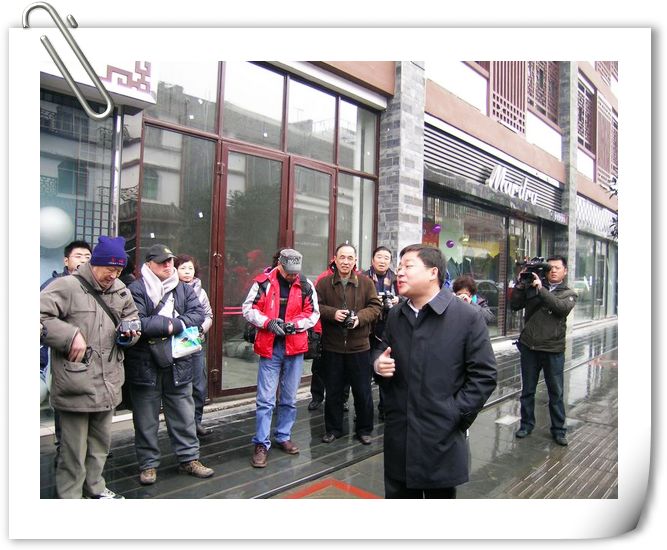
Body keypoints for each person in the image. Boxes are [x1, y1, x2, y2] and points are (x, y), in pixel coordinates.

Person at [373, 244, 497, 498]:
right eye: (399, 267)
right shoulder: (396, 314)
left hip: (441, 439)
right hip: (399, 436)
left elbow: (484, 375)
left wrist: (454, 414)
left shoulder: (466, 316)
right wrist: (377, 365)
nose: (400, 273)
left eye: (408, 266)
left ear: (433, 273)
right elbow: (382, 351)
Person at [40, 235, 140, 498]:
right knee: (72, 451)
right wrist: (69, 335)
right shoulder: (67, 286)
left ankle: (94, 489)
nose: (113, 275)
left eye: (118, 270)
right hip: (76, 382)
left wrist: (130, 333)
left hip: (109, 382)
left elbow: (133, 318)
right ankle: (70, 497)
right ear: (95, 263)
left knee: (99, 446)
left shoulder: (121, 289)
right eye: (109, 268)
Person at [125, 244, 214, 485]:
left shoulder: (183, 288)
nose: (167, 265)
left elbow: (198, 314)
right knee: (146, 419)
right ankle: (148, 465)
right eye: (162, 261)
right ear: (149, 264)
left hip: (179, 361)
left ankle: (189, 458)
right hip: (145, 363)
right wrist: (174, 325)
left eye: (170, 261)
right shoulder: (136, 288)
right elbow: (137, 322)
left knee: (184, 414)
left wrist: (171, 324)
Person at [242, 249, 319, 468]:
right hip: (270, 346)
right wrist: (268, 322)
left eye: (296, 272)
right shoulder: (263, 282)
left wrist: (295, 325)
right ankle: (261, 443)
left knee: (289, 398)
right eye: (289, 272)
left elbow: (313, 313)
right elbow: (248, 309)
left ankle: (283, 435)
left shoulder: (306, 285)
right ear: (280, 265)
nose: (293, 276)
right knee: (265, 399)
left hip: (295, 346)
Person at [316, 243, 381, 445]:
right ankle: (333, 429)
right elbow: (315, 306)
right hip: (332, 346)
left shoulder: (366, 283)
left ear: (355, 261)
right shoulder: (324, 283)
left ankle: (364, 429)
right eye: (342, 257)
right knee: (333, 391)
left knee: (362, 391)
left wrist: (359, 319)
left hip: (359, 346)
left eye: (350, 258)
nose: (345, 262)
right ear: (335, 259)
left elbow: (375, 307)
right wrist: (333, 313)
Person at [509, 256, 577, 446]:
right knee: (527, 391)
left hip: (553, 350)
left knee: (556, 393)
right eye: (550, 267)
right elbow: (515, 305)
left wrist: (541, 289)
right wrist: (521, 285)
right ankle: (526, 424)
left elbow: (560, 308)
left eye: (557, 268)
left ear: (565, 271)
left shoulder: (569, 293)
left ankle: (559, 430)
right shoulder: (533, 286)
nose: (553, 270)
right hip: (530, 347)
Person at [40, 239, 92, 464]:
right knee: (65, 404)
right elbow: (43, 321)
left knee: (89, 402)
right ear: (66, 260)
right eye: (78, 256)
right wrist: (69, 336)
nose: (84, 260)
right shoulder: (54, 285)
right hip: (63, 355)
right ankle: (64, 449)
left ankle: (88, 448)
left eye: (88, 257)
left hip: (92, 357)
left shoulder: (96, 286)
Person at [175, 254, 214, 437]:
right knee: (180, 387)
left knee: (199, 385)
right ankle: (181, 424)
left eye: (190, 268)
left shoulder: (200, 291)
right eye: (183, 268)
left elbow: (208, 315)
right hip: (176, 343)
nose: (187, 272)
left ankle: (196, 421)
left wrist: (200, 330)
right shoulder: (170, 289)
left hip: (195, 342)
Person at [364, 245, 399, 422]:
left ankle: (385, 408)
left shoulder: (397, 279)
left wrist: (398, 299)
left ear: (390, 261)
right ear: (372, 259)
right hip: (366, 330)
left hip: (388, 329)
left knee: (385, 371)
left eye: (386, 258)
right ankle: (364, 412)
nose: (382, 261)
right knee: (364, 373)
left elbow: (408, 298)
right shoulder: (363, 278)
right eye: (379, 257)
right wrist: (372, 301)